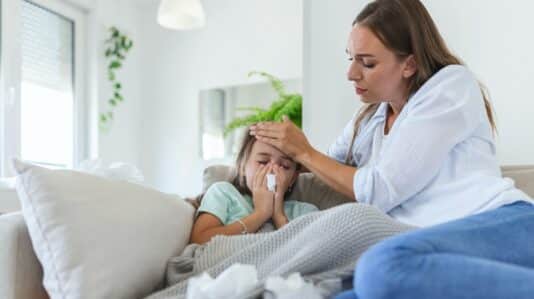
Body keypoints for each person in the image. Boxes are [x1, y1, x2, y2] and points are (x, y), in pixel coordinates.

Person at [250, 0, 534, 298]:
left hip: (502, 224)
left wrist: (303, 151)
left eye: (367, 63)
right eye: (351, 58)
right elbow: (326, 167)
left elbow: (380, 187)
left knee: (380, 267)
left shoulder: (450, 86)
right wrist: (268, 169)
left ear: (409, 64)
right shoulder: (371, 118)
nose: (351, 73)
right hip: (426, 244)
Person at [189, 128, 318, 245]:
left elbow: (310, 254)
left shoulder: (304, 212)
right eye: (263, 162)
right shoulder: (223, 193)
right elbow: (199, 240)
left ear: (292, 179)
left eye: (284, 166)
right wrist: (260, 214)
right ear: (243, 166)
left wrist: (278, 215)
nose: (272, 170)